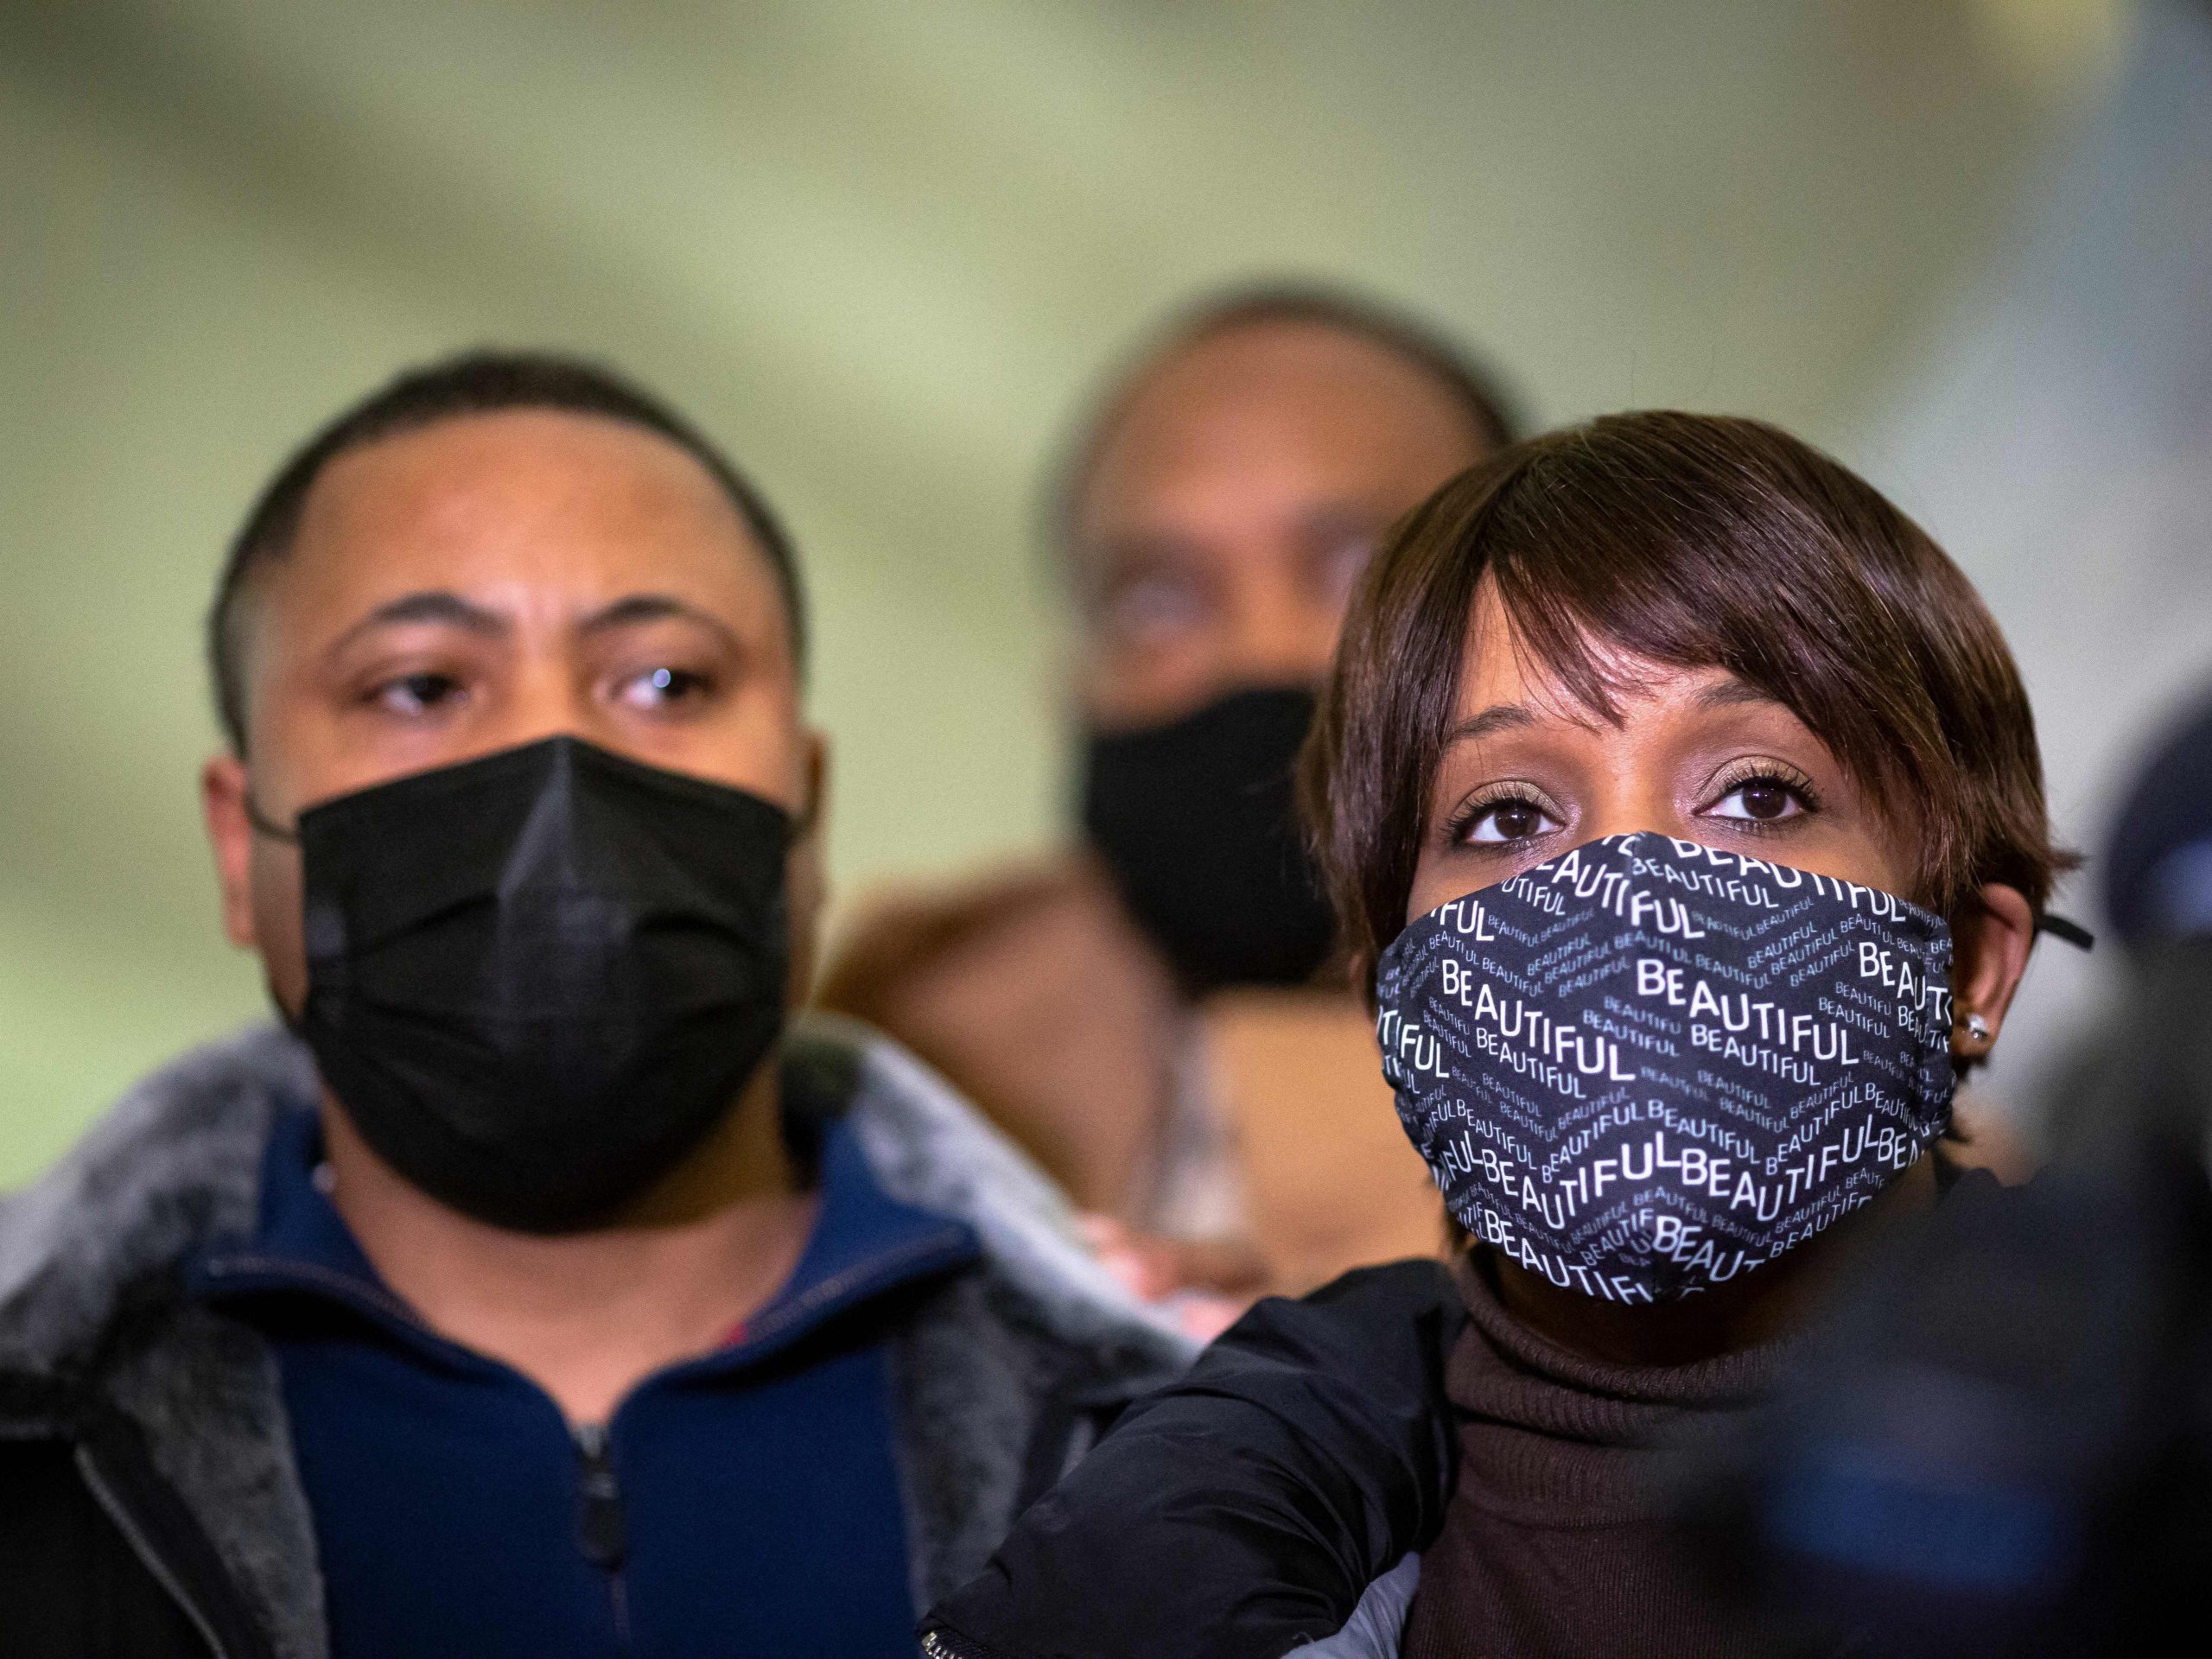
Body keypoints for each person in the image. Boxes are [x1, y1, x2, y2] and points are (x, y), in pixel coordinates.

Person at [0, 353, 1191, 1659]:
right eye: (422, 686)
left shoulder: (1174, 1462)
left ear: (806, 809)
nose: (552, 771)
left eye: (666, 683)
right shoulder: (37, 1444)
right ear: (242, 850)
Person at [923, 410, 2085, 1659]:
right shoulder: (1170, 1537)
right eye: (1508, 816)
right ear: (1398, 1008)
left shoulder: (2150, 1474)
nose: (1629, 889)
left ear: (1970, 962)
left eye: (1757, 794)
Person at [820, 287, 1518, 1315]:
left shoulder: (1751, 1056)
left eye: (1359, 567)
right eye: (1158, 601)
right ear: (1076, 685)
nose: (1262, 653)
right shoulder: (913, 1047)